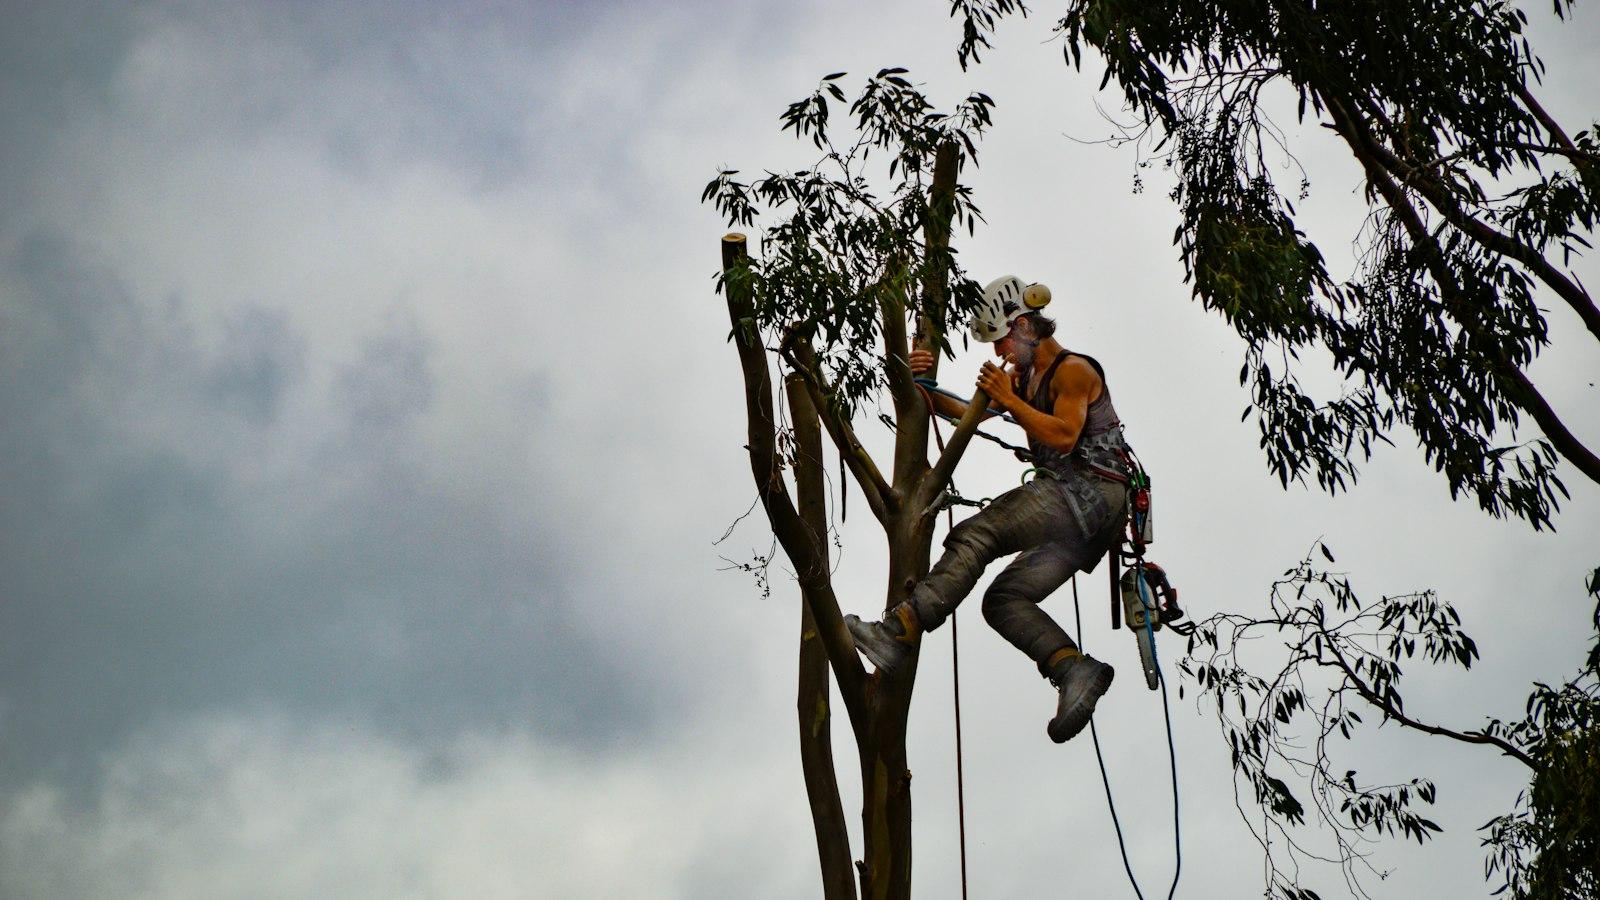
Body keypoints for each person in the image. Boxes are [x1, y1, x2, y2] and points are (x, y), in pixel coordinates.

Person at [845, 274, 1133, 743]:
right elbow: (968, 410)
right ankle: (1072, 667)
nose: (999, 352)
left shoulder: (1073, 371)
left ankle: (899, 629)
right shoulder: (1025, 380)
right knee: (1003, 600)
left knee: (980, 533)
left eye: (1002, 340)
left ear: (1023, 325)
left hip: (1090, 493)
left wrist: (1006, 397)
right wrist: (920, 382)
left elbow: (1062, 434)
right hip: (1082, 519)